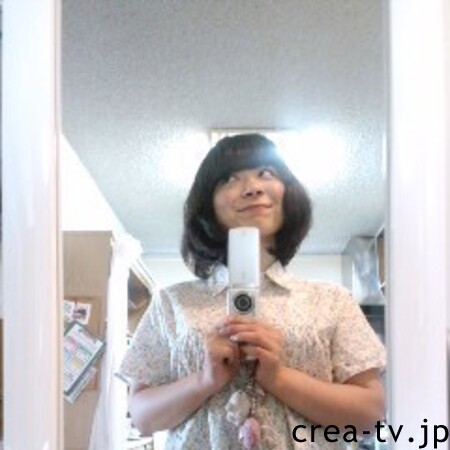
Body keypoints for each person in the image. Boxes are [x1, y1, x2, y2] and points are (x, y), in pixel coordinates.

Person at [119, 133, 386, 450]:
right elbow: (142, 417)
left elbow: (370, 416)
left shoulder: (332, 301)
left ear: (288, 194)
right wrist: (205, 381)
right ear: (208, 203)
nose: (252, 188)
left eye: (266, 173)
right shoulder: (172, 302)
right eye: (230, 178)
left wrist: (280, 378)